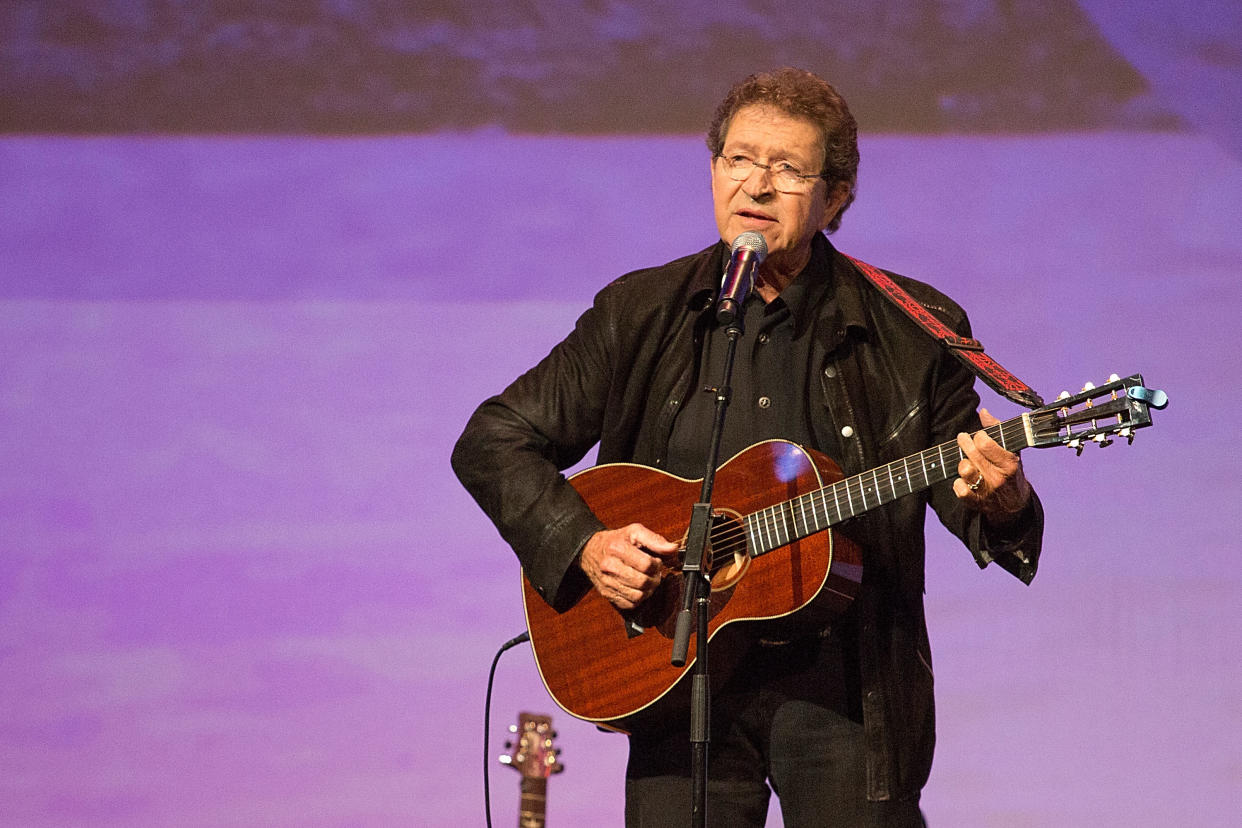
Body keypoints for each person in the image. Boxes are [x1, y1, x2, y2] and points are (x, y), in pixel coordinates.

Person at [452, 67, 1042, 827]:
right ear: (712, 171)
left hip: (847, 694)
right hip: (676, 675)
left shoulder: (913, 326)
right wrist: (586, 546)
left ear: (836, 198)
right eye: (738, 159)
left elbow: (969, 497)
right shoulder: (642, 312)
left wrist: (1003, 500)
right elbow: (494, 438)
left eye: (787, 169)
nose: (756, 186)